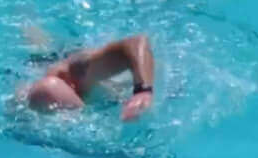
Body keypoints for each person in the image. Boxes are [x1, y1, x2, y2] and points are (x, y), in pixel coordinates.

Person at [18, 31, 156, 122]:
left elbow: (136, 42)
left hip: (80, 63)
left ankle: (25, 17)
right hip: (48, 72)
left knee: (39, 45)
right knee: (39, 48)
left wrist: (143, 90)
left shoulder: (80, 71)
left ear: (72, 86)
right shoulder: (23, 101)